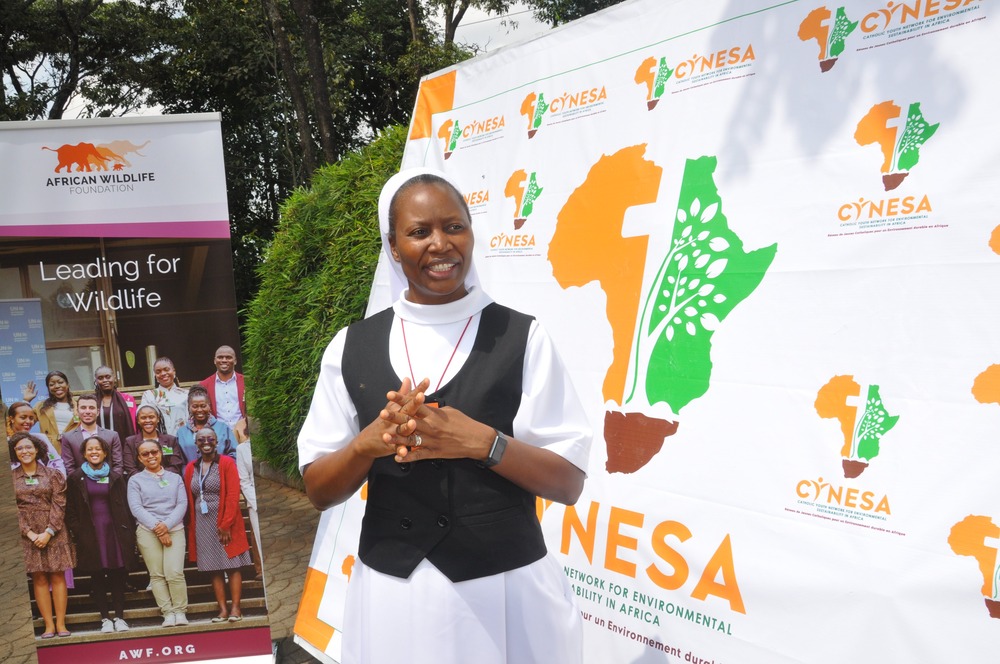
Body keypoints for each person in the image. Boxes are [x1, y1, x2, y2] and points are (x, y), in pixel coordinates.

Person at [297, 168, 592, 663]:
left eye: (454, 226)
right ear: (393, 247)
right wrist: (365, 446)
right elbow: (319, 491)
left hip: (505, 592)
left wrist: (485, 443)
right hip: (395, 596)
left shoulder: (522, 338)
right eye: (419, 232)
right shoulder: (351, 347)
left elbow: (568, 484)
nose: (440, 243)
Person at [65, 436, 137, 633]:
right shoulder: (75, 477)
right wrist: (78, 531)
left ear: (105, 452)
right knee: (96, 576)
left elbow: (127, 506)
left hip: (114, 533)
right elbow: (70, 509)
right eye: (90, 449)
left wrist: (129, 532)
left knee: (117, 574)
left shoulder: (116, 476)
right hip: (90, 534)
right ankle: (105, 618)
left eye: (98, 449)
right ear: (84, 454)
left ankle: (119, 617)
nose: (94, 452)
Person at [10, 431, 76, 638]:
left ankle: (61, 624)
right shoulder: (10, 478)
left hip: (53, 530)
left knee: (57, 575)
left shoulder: (52, 474)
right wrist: (29, 533)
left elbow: (59, 504)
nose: (24, 451)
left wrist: (48, 531)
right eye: (19, 448)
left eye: (28, 447)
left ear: (37, 449)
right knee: (38, 577)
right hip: (26, 534)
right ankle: (48, 625)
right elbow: (12, 508)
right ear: (14, 452)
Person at [184, 428, 251, 623]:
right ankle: (222, 609)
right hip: (202, 523)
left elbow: (232, 494)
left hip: (225, 519)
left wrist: (225, 524)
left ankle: (236, 608)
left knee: (232, 565)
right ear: (196, 444)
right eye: (201, 439)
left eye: (210, 438)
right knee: (214, 567)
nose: (206, 442)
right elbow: (191, 497)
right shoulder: (191, 468)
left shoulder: (227, 463)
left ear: (217, 441)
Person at [127, 439, 190, 627]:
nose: (151, 456)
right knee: (157, 574)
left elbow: (182, 504)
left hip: (175, 529)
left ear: (161, 453)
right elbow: (136, 508)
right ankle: (168, 613)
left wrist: (166, 525)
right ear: (139, 458)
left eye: (154, 452)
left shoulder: (175, 478)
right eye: (145, 454)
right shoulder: (135, 480)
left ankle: (180, 611)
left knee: (175, 572)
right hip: (147, 531)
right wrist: (157, 527)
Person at [60, 393, 124, 476]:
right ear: (77, 411)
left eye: (91, 408)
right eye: (83, 408)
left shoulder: (112, 436)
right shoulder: (68, 437)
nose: (87, 411)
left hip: (109, 484)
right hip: (80, 485)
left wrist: (112, 483)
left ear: (97, 412)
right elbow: (69, 467)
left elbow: (118, 464)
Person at [175, 385, 237, 462]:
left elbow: (234, 454)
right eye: (195, 406)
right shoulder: (181, 433)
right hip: (191, 473)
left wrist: (221, 468)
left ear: (209, 406)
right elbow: (180, 460)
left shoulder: (223, 428)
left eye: (203, 406)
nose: (199, 410)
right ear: (189, 408)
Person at [199, 345, 248, 442]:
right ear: (214, 360)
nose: (224, 360)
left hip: (242, 433)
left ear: (235, 361)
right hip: (217, 434)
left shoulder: (247, 382)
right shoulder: (204, 385)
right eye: (220, 357)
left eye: (228, 357)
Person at [123, 404, 187, 478]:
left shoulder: (171, 440)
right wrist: (149, 480)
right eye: (143, 418)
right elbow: (130, 468)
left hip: (167, 482)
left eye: (151, 417)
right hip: (142, 484)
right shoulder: (130, 442)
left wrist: (159, 477)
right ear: (138, 421)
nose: (147, 420)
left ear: (158, 419)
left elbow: (176, 465)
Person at [7, 401, 66, 476]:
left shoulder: (41, 438)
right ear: (12, 419)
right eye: (23, 417)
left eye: (31, 418)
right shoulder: (6, 443)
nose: (28, 421)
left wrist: (60, 479)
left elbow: (56, 460)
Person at [25, 371, 78, 452]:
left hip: (73, 450)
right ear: (48, 388)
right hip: (49, 451)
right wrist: (26, 401)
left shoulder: (79, 406)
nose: (56, 386)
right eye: (52, 384)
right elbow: (24, 423)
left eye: (60, 382)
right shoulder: (41, 406)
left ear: (67, 384)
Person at [140, 357, 189, 436]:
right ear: (155, 376)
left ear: (174, 371)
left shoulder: (186, 394)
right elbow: (145, 420)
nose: (163, 373)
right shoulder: (149, 395)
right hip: (159, 442)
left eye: (166, 369)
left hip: (183, 439)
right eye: (158, 372)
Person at [94, 365, 137, 442]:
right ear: (96, 381)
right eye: (100, 378)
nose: (104, 380)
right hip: (97, 444)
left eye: (108, 377)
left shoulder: (127, 399)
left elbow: (133, 423)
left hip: (122, 442)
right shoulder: (92, 400)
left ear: (114, 378)